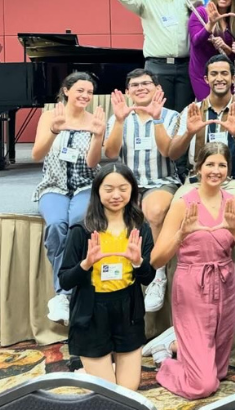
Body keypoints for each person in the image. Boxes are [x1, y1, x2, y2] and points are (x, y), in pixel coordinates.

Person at [148, 143, 235, 399]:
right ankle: (168, 364)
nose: (216, 171)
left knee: (219, 373)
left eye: (222, 165)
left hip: (226, 283)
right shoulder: (183, 204)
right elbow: (156, 259)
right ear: (199, 167)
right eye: (210, 164)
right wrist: (181, 235)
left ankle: (175, 346)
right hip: (192, 285)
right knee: (203, 385)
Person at [58, 164, 155, 390]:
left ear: (132, 190)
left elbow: (148, 278)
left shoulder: (140, 228)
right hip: (92, 313)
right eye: (108, 189)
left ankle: (87, 372)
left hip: (128, 310)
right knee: (109, 395)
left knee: (128, 391)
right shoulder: (81, 230)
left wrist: (138, 262)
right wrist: (86, 264)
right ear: (97, 191)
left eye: (123, 188)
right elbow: (64, 280)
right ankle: (86, 370)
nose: (116, 195)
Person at [103, 69, 182, 312]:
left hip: (162, 180)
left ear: (158, 89)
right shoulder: (119, 117)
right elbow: (111, 153)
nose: (140, 88)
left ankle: (158, 276)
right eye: (134, 85)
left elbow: (168, 151)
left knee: (154, 211)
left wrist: (156, 119)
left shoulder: (171, 116)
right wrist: (117, 121)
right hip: (128, 183)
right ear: (128, 92)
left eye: (146, 83)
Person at [32, 72, 106, 324]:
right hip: (54, 186)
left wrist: (98, 136)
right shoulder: (48, 117)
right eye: (80, 91)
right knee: (55, 226)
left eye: (89, 92)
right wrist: (54, 130)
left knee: (77, 223)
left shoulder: (94, 120)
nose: (85, 96)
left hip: (86, 186)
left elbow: (92, 162)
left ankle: (72, 289)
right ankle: (63, 293)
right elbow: (36, 154)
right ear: (66, 91)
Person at [115, 0, 203, 112]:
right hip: (157, 67)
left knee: (183, 115)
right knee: (158, 114)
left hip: (185, 66)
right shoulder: (145, 0)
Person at [168, 55, 235, 206]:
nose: (219, 78)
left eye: (224, 73)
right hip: (197, 181)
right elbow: (173, 153)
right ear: (206, 79)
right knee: (179, 206)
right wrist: (189, 133)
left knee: (231, 208)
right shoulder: (191, 111)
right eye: (214, 74)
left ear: (233, 78)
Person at [188, 0, 235, 101]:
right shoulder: (200, 12)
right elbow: (196, 42)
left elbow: (234, 56)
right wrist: (210, 24)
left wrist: (226, 47)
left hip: (226, 74)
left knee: (227, 109)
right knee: (208, 108)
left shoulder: (234, 19)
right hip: (202, 73)